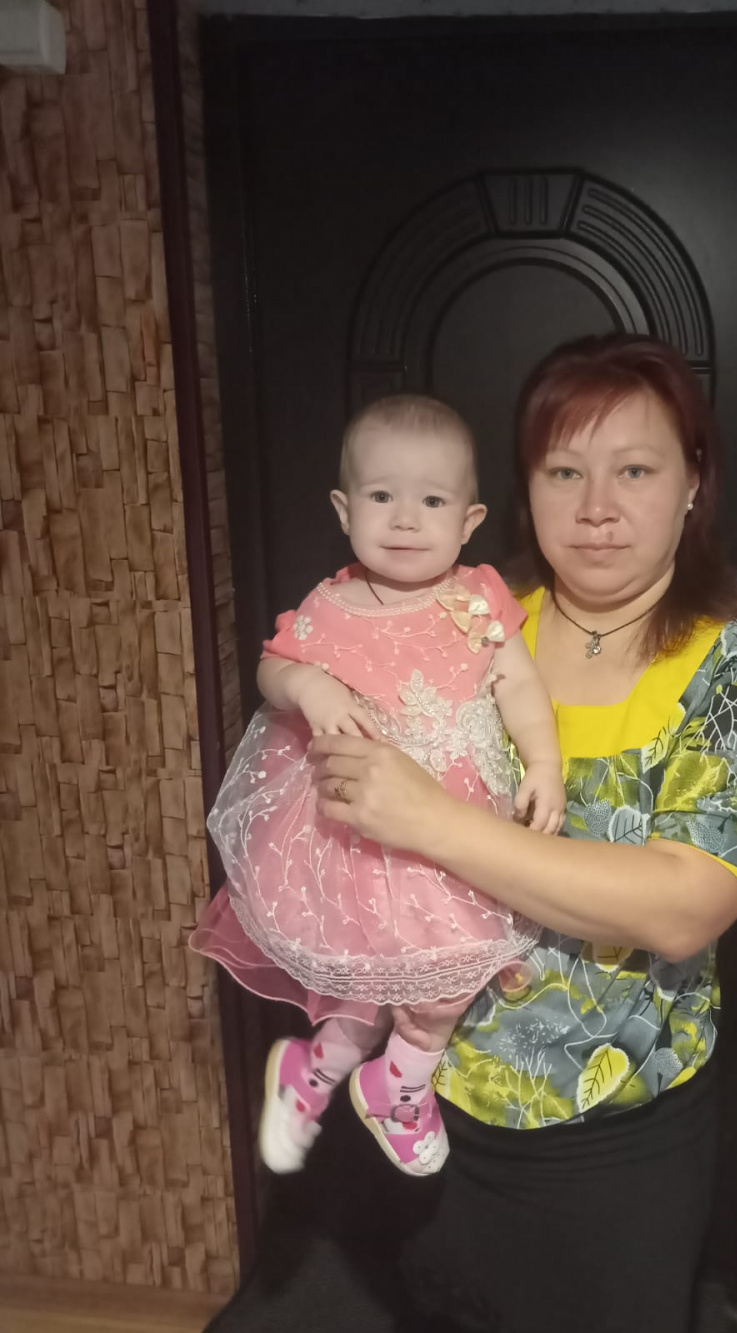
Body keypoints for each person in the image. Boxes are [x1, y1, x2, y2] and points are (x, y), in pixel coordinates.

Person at [309, 334, 737, 1331]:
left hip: (613, 1148)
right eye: (564, 471)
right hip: (427, 1108)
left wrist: (432, 820)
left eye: (635, 470)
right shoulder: (469, 622)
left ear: (693, 481)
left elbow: (683, 904)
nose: (596, 507)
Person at [190, 394, 564, 1179]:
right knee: (366, 982)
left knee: (442, 986)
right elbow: (270, 667)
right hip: (357, 836)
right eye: (382, 495)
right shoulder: (331, 604)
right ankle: (320, 1069)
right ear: (344, 508)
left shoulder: (479, 598)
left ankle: (393, 1083)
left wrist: (543, 762)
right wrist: (307, 684)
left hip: (454, 830)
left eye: (432, 501)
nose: (404, 519)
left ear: (468, 520)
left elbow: (520, 686)